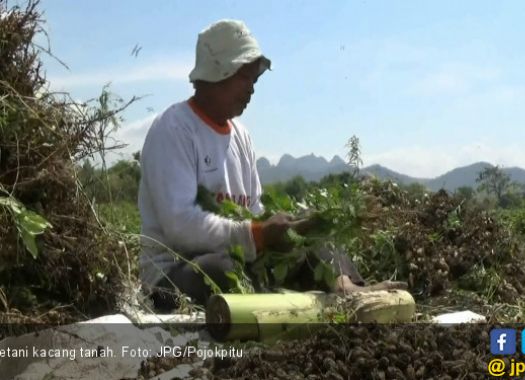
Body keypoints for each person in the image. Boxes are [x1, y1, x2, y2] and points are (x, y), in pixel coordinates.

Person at [138, 19, 405, 309]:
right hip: (174, 272)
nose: (252, 90)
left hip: (240, 259)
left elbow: (253, 212)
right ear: (219, 71)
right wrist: (257, 234)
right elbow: (181, 227)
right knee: (222, 269)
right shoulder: (174, 129)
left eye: (255, 80)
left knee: (308, 229)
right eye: (246, 79)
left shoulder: (241, 136)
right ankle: (287, 303)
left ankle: (347, 290)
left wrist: (282, 231)